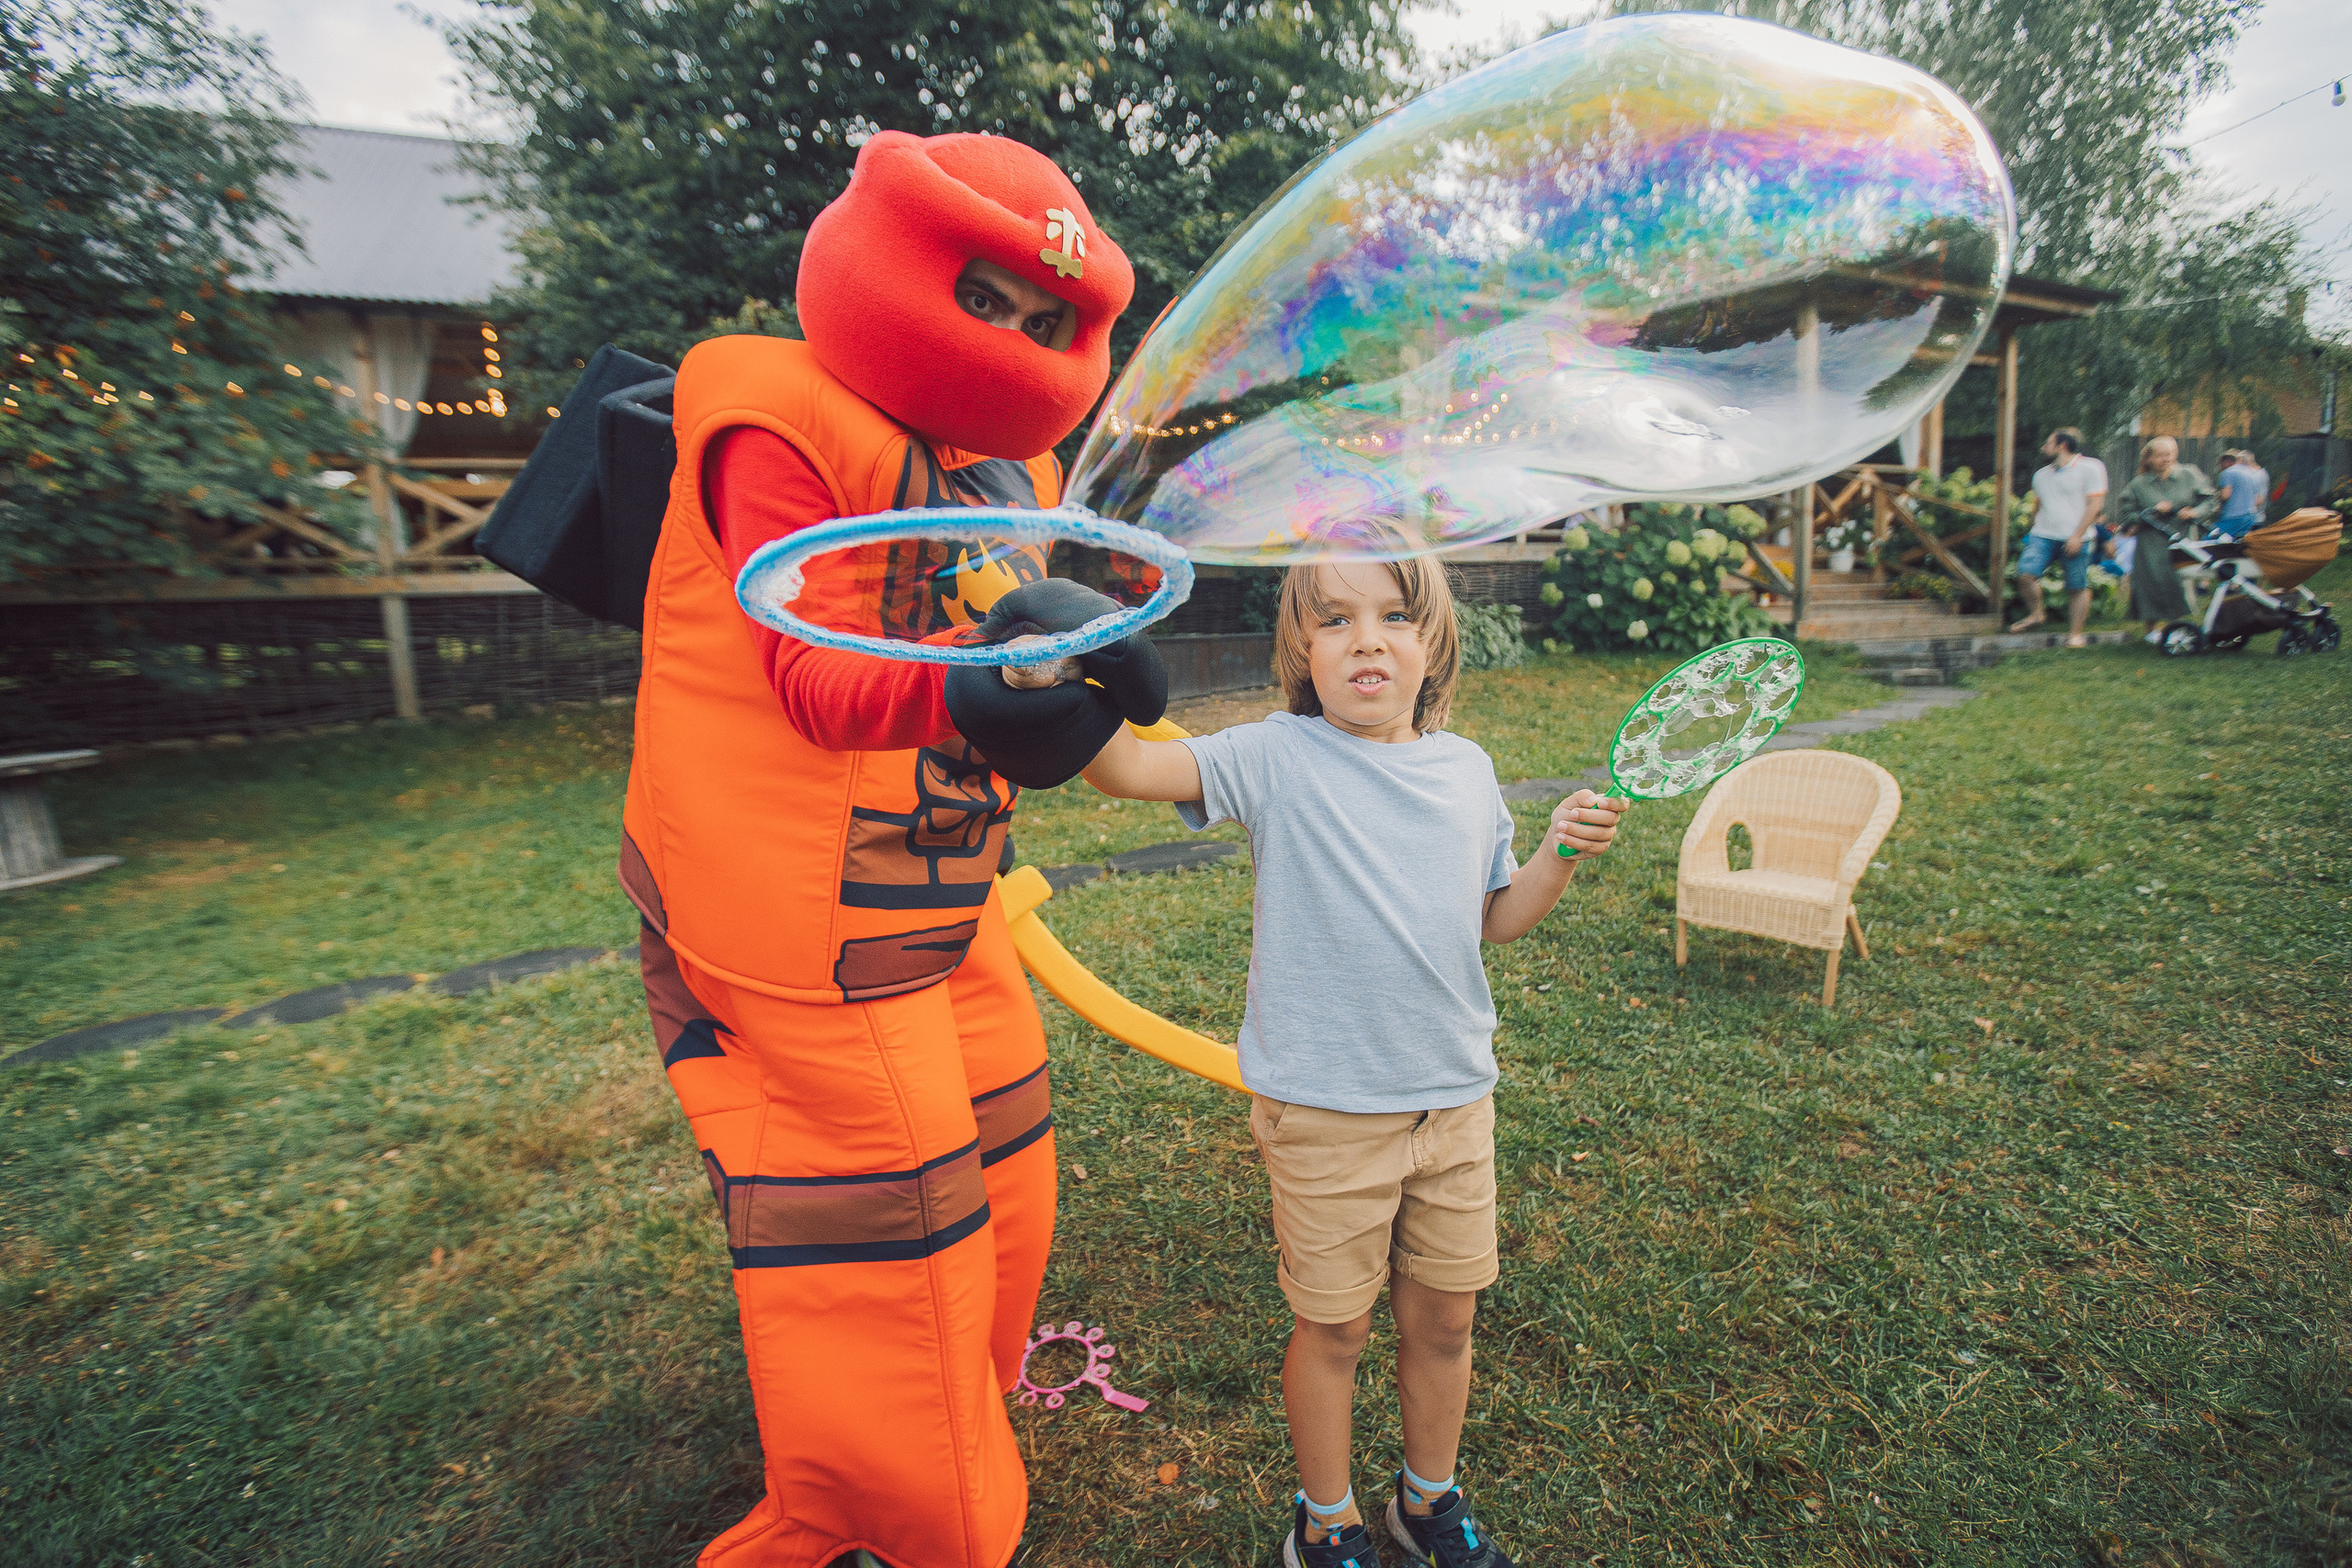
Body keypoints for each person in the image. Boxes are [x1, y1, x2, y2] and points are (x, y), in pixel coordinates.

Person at [620, 130, 1148, 1568]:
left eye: (1051, 324)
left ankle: (952, 1417)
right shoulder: (770, 413)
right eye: (992, 301)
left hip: (930, 888)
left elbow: (1002, 655)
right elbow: (814, 672)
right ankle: (886, 1515)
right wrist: (987, 680)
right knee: (885, 1222)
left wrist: (1074, 686)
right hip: (797, 912)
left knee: (1009, 1157)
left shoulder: (1007, 468)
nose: (1025, 346)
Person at [1074, 558, 1625, 1568]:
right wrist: (1051, 669)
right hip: (1326, 1115)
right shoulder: (1277, 755)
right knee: (1334, 1332)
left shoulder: (1464, 770)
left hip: (1455, 1108)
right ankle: (1323, 1525)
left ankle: (1424, 1506)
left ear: (1433, 647)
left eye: (1393, 617)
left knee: (1446, 1321)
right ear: (1302, 652)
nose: (1366, 638)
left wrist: (1557, 854)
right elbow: (1131, 768)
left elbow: (1496, 920)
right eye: (1334, 620)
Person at [2012, 426, 2108, 648]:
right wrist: (2031, 525)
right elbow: (2039, 504)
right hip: (2043, 535)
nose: (2043, 447)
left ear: (2062, 446)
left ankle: (2074, 635)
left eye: (2048, 443)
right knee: (2025, 574)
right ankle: (2037, 614)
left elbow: (2095, 505)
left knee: (2076, 586)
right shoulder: (2041, 475)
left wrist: (2077, 536)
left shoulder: (2091, 468)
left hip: (2077, 538)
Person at [2112, 436, 2212, 642]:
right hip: (2151, 542)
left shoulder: (2190, 475)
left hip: (2181, 538)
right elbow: (2127, 515)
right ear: (2148, 458)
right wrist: (2152, 512)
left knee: (2179, 582)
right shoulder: (2138, 484)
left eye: (2169, 454)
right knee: (2151, 582)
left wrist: (2194, 512)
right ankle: (2151, 630)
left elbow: (2210, 500)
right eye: (2160, 455)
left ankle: (2175, 627)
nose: (2165, 459)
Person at [2214, 447, 2270, 537]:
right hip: (2251, 518)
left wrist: (2217, 501)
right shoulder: (2253, 474)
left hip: (2234, 518)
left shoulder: (2228, 473)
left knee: (2208, 541)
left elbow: (2225, 495)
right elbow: (2257, 498)